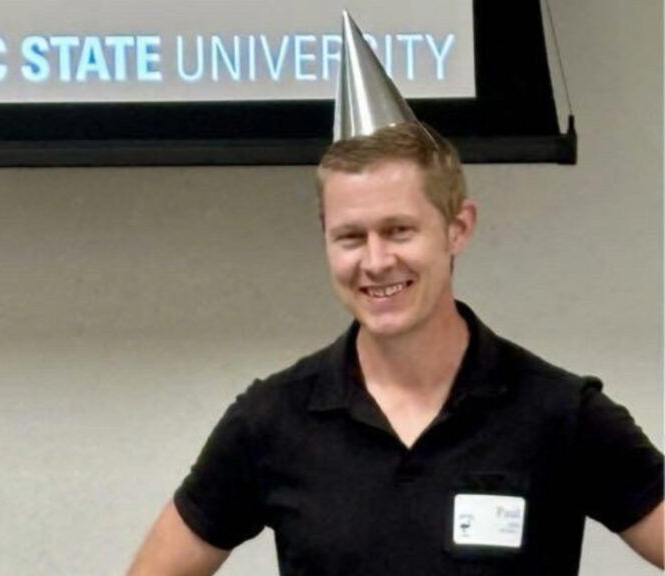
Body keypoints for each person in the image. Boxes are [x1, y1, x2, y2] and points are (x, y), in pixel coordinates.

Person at [126, 11, 663, 576]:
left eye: (399, 230)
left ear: (458, 227)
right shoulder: (273, 420)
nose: (376, 261)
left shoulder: (559, 414)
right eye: (351, 237)